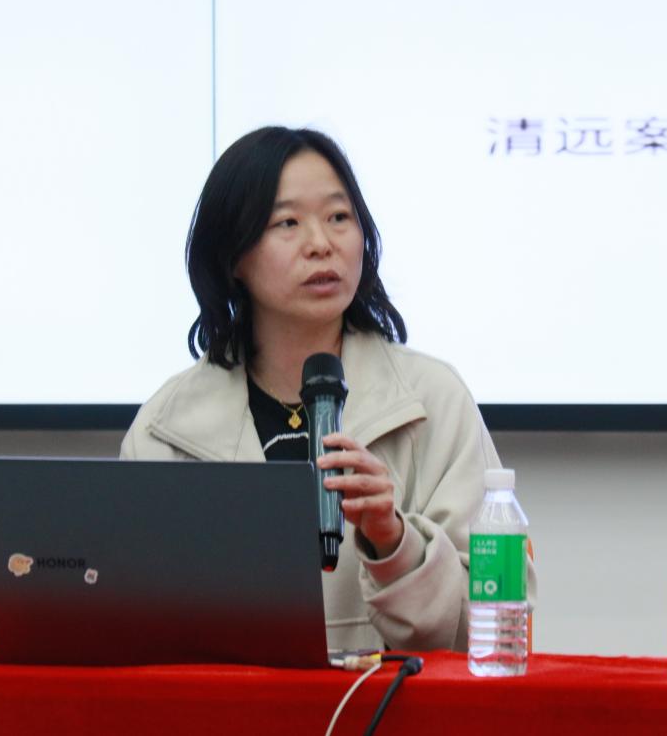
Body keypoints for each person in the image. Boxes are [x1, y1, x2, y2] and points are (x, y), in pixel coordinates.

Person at [121, 126, 523, 653]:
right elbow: (130, 627)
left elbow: (497, 631)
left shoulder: (433, 401)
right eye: (287, 223)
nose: (321, 244)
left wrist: (395, 542)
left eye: (338, 217)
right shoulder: (166, 429)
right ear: (234, 254)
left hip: (390, 701)